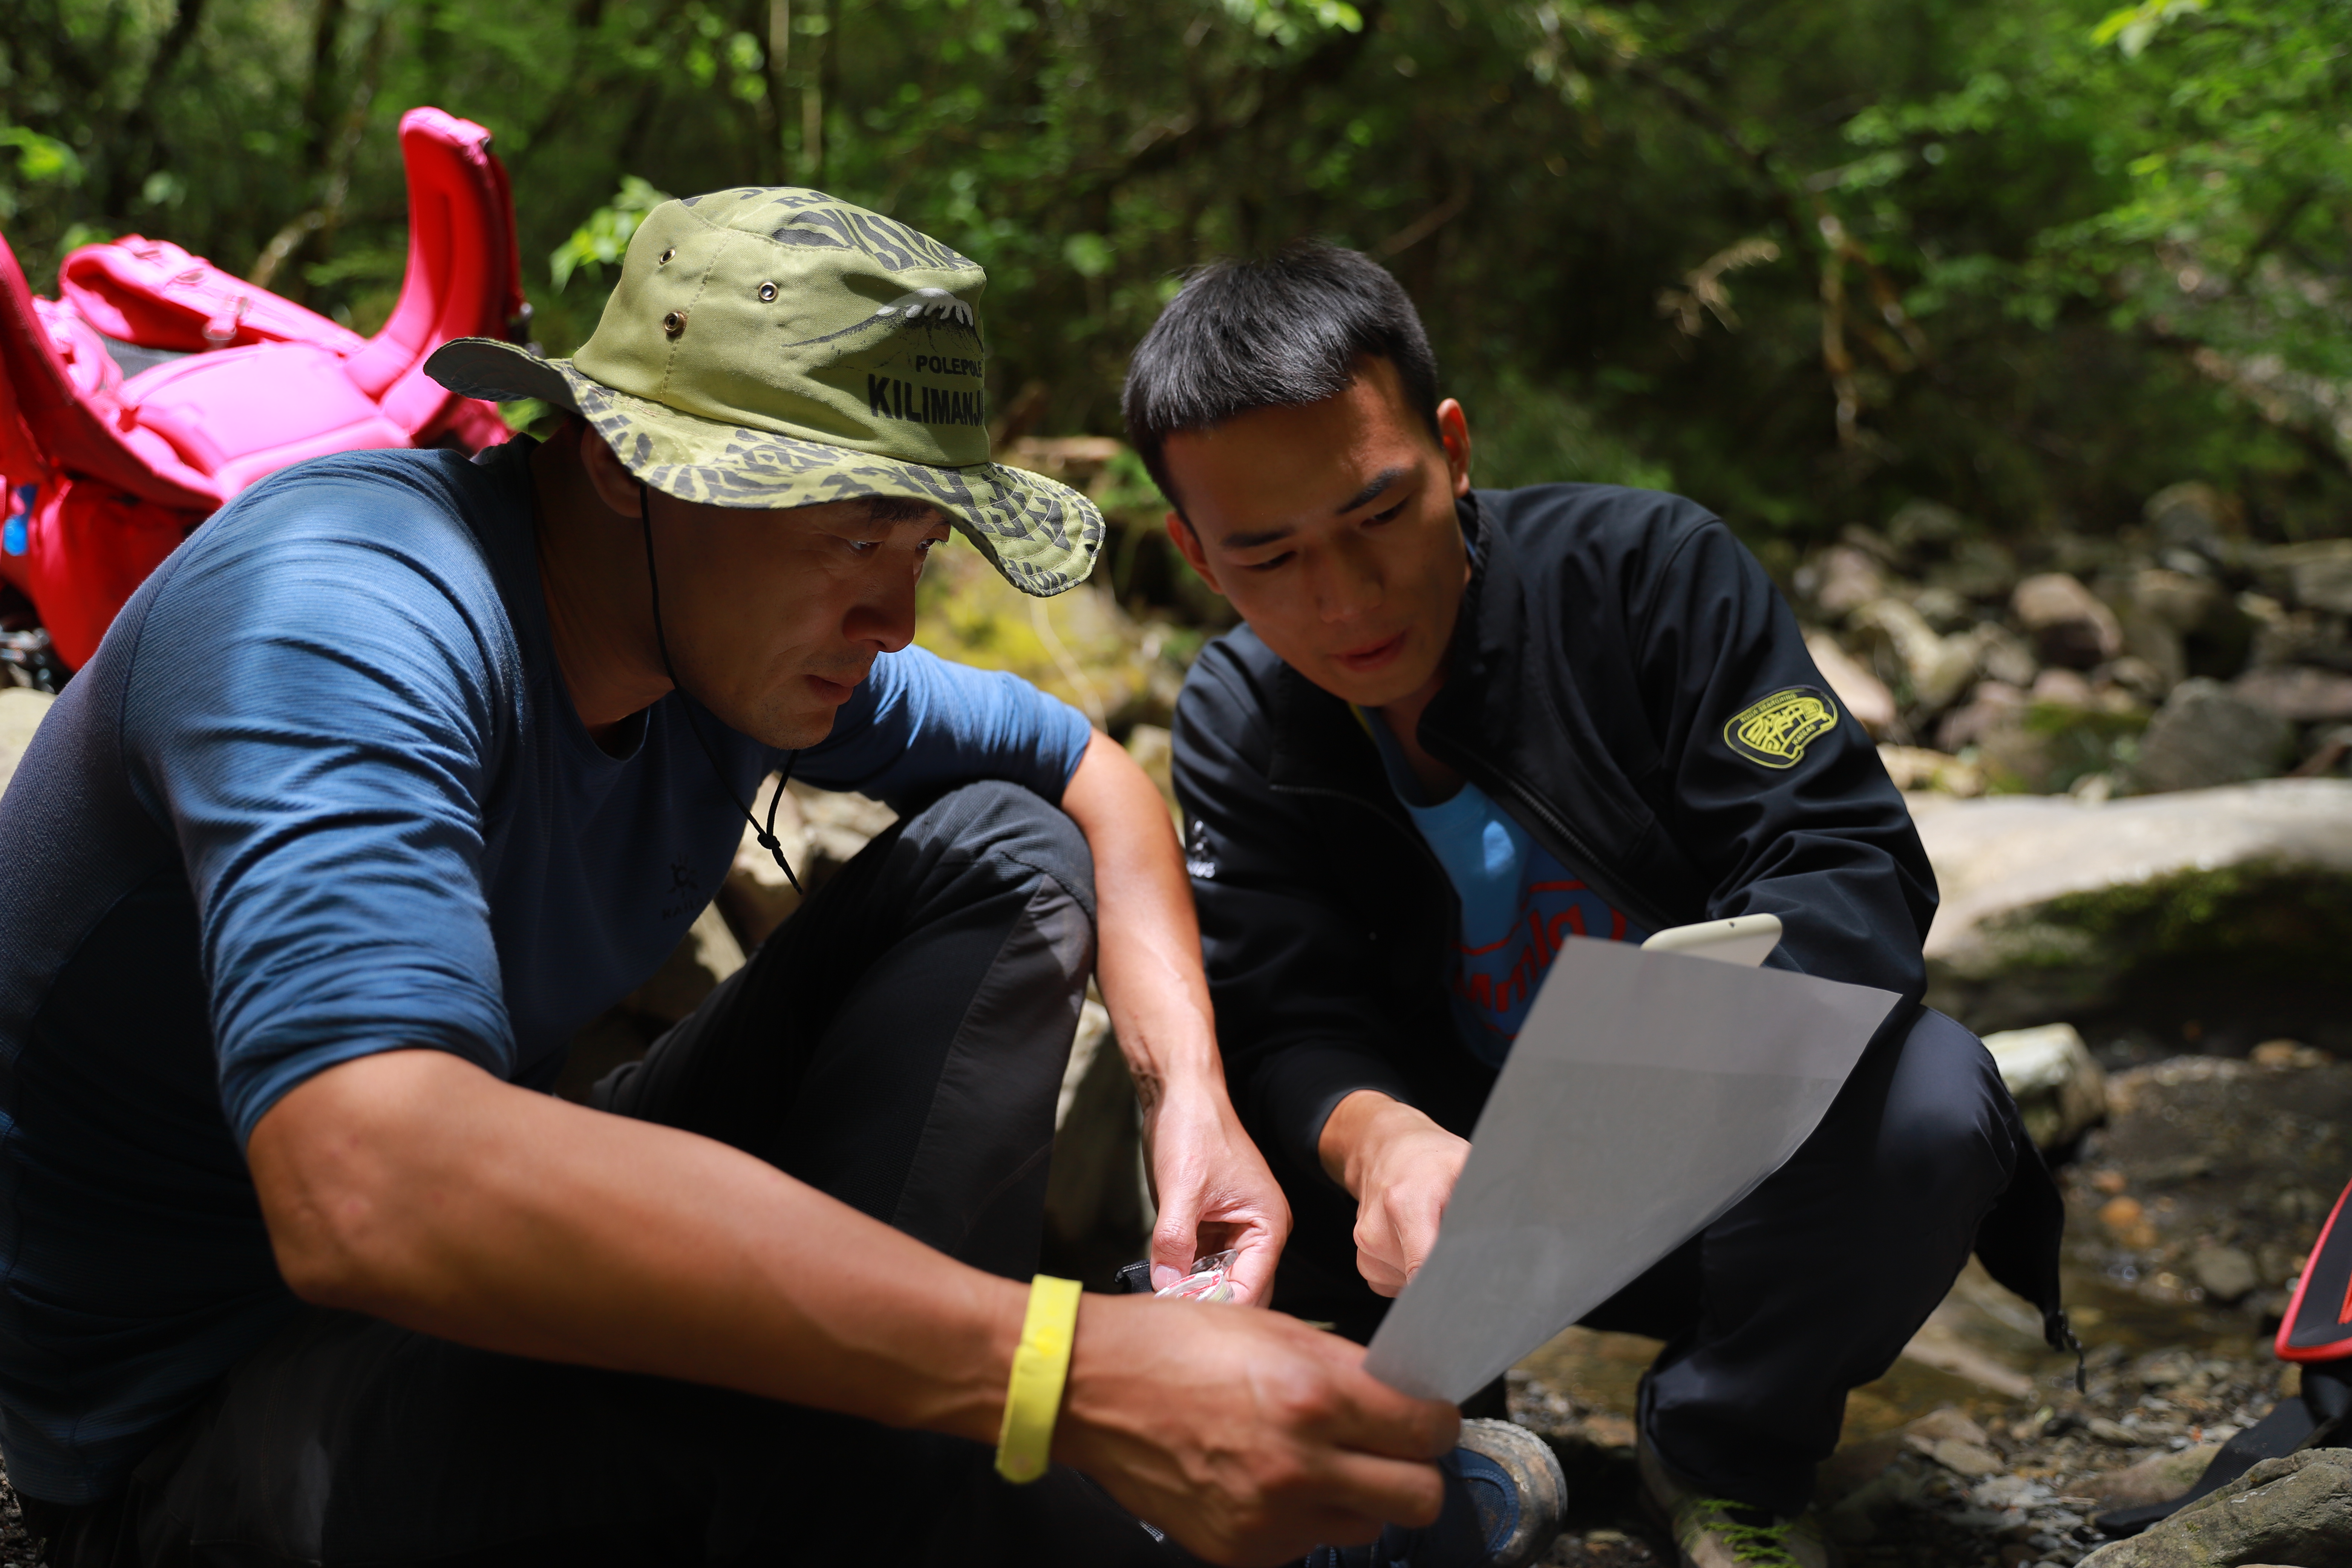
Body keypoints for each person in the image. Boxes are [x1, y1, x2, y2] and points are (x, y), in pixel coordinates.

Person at [0, 191, 1482, 1568]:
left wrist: (1190, 1111)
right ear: (619, 466)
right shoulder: (341, 614)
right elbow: (363, 1185)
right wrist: (1061, 1365)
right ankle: (1023, 1479)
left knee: (1000, 845)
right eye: (851, 532)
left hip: (441, 1310)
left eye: (917, 541)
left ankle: (958, 1472)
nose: (895, 612)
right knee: (787, 1377)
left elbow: (1095, 784)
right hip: (194, 1428)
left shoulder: (727, 636)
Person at [1127, 243, 2073, 1568]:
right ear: (1195, 555)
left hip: (1714, 1165)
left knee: (1934, 1095)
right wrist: (1382, 1143)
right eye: (1269, 558)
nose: (1342, 602)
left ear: (1452, 450)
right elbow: (1286, 1018)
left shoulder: (1651, 575)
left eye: (1378, 516)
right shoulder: (1239, 717)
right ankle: (1427, 1457)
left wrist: (1672, 1066)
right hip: (1440, 1219)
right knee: (1206, 1134)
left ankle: (1722, 1450)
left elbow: (1845, 856)